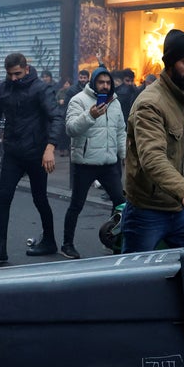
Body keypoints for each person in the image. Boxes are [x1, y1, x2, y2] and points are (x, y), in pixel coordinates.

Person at [122, 29, 184, 252]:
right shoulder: (150, 103)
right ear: (170, 63)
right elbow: (152, 158)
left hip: (178, 207)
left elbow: (179, 154)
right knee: (133, 276)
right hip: (147, 210)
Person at [0, 52, 63, 261]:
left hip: (37, 153)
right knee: (3, 197)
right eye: (10, 74)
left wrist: (50, 147)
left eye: (17, 73)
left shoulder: (41, 88)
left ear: (27, 69)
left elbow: (56, 117)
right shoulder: (2, 89)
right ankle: (0, 245)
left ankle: (50, 241)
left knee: (40, 198)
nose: (14, 78)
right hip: (13, 152)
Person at [62, 67, 127, 259]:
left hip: (109, 162)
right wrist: (90, 115)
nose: (105, 86)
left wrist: (123, 155)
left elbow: (120, 130)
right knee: (76, 204)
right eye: (101, 82)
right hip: (85, 162)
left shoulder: (114, 102)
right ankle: (67, 245)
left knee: (120, 203)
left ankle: (114, 241)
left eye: (108, 83)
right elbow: (70, 129)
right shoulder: (78, 100)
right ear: (93, 83)